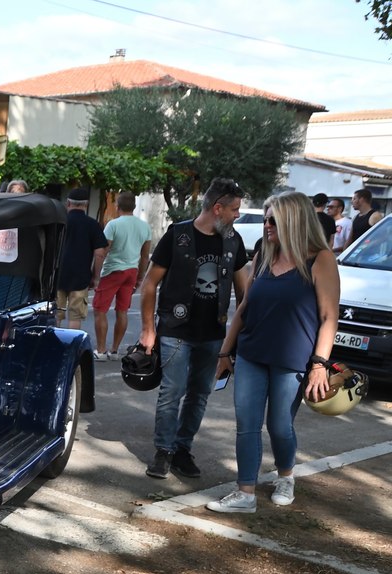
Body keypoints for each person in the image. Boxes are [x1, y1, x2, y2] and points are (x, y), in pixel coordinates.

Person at [205, 192, 340, 513]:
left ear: (294, 221)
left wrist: (319, 364)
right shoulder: (264, 255)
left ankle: (286, 476)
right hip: (251, 354)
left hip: (293, 360)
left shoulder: (320, 259)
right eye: (266, 219)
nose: (266, 225)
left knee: (280, 426)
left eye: (273, 220)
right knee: (247, 424)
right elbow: (244, 308)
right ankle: (245, 493)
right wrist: (224, 353)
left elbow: (329, 317)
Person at [138, 177, 252, 480]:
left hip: (213, 334)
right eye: (235, 209)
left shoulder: (233, 241)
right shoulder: (177, 235)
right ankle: (163, 451)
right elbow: (149, 284)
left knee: (200, 394)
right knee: (171, 392)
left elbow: (244, 292)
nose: (238, 215)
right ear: (218, 208)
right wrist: (148, 329)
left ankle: (182, 450)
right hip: (175, 329)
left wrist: (240, 337)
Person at [93, 191, 152, 359]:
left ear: (117, 206)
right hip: (131, 271)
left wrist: (96, 276)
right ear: (134, 206)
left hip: (112, 270)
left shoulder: (113, 225)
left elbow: (103, 251)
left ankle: (101, 350)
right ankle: (114, 350)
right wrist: (140, 277)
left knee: (100, 310)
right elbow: (145, 256)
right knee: (122, 310)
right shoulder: (145, 227)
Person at [54, 187, 107, 330]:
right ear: (86, 205)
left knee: (55, 314)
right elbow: (100, 253)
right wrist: (96, 277)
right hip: (81, 277)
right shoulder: (92, 225)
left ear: (68, 203)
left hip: (58, 275)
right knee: (75, 316)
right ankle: (72, 343)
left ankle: (53, 342)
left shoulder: (59, 223)